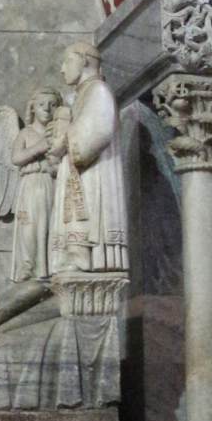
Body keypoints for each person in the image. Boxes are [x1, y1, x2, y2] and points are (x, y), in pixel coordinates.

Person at [48, 40, 127, 273]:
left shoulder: (98, 91)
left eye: (67, 61)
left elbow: (100, 130)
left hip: (92, 171)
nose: (62, 68)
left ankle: (83, 253)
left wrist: (63, 139)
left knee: (85, 215)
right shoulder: (81, 95)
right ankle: (74, 251)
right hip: (76, 170)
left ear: (84, 61)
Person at [9, 86, 63, 283]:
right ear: (32, 108)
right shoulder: (26, 133)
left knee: (50, 226)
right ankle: (28, 266)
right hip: (31, 185)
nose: (47, 109)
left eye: (52, 105)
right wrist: (39, 147)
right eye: (41, 105)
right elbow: (16, 158)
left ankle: (48, 267)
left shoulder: (59, 135)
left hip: (52, 183)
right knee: (29, 228)